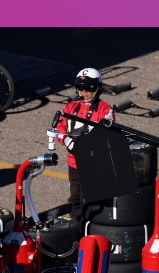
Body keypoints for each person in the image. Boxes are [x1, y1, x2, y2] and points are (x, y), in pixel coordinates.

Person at [54, 68, 114, 222]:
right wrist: (67, 140)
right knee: (75, 198)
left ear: (98, 88)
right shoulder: (69, 107)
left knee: (95, 198)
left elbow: (105, 132)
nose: (84, 92)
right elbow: (58, 127)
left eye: (89, 88)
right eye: (81, 88)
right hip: (74, 163)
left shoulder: (105, 109)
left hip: (95, 163)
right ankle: (77, 228)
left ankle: (96, 226)